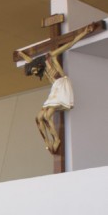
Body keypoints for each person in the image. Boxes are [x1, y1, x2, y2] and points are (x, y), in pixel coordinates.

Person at [17, 26, 91, 154]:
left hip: (61, 84)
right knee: (38, 118)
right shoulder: (39, 66)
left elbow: (69, 44)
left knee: (46, 116)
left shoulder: (50, 58)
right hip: (55, 88)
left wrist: (84, 33)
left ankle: (56, 140)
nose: (35, 73)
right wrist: (22, 54)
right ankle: (47, 142)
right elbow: (30, 61)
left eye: (34, 71)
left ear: (38, 65)